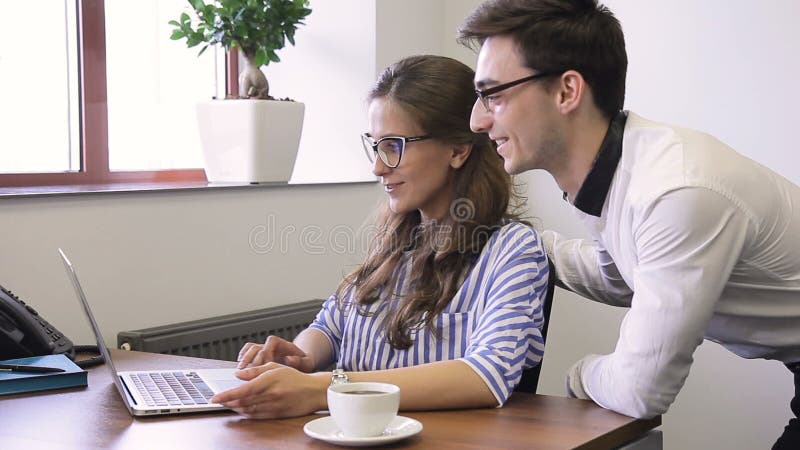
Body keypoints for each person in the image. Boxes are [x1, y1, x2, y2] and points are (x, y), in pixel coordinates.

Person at [458, 1, 800, 448]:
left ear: (566, 92)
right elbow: (621, 276)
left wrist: (580, 375)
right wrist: (516, 244)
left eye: (493, 95)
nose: (477, 120)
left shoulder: (673, 193)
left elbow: (642, 391)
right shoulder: (614, 171)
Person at [211, 55, 549, 419]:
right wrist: (302, 357)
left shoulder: (513, 250)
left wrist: (321, 389)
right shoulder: (397, 241)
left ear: (457, 149)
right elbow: (330, 325)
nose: (377, 167)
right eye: (376, 146)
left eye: (394, 146)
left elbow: (485, 376)